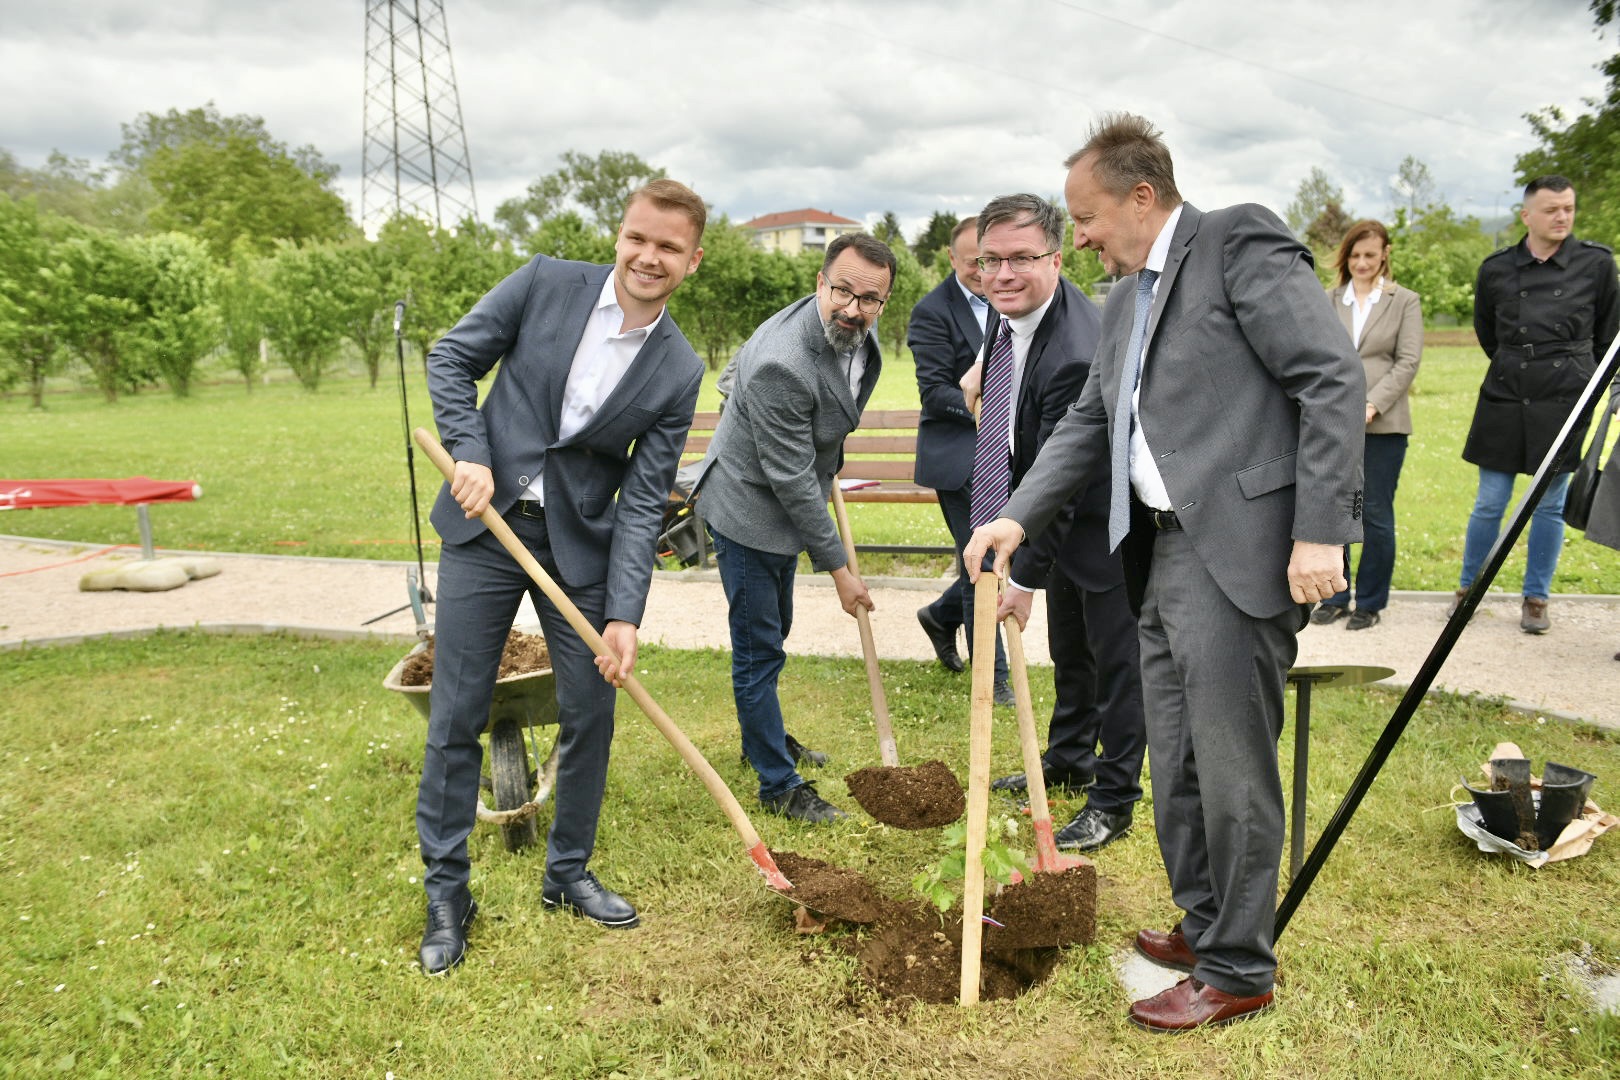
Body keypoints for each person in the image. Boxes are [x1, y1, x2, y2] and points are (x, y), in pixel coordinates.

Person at [965, 113, 1364, 1032]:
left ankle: (1239, 969)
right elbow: (1089, 421)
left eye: (1089, 214)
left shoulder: (1237, 241)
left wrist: (1318, 534)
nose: (1084, 235)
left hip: (1239, 552)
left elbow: (1331, 379)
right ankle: (1203, 922)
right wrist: (1017, 515)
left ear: (1142, 195)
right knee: (1175, 755)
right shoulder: (1125, 299)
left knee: (1230, 769)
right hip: (1155, 548)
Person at [416, 179, 707, 973]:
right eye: (637, 238)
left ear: (692, 261)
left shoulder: (680, 369)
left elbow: (645, 497)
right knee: (458, 711)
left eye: (669, 248)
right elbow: (451, 357)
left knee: (591, 710)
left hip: (578, 549)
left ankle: (567, 872)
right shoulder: (545, 281)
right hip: (485, 525)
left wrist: (624, 612)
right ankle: (448, 890)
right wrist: (470, 451)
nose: (648, 257)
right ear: (620, 235)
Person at [956, 194, 1147, 850]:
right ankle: (1069, 757)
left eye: (1022, 259)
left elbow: (1066, 481)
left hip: (1108, 520)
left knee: (1118, 663)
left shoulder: (1074, 349)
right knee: (1072, 649)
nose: (1002, 274)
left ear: (1057, 259)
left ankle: (1115, 797)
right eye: (991, 260)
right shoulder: (1007, 312)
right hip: (1058, 512)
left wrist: (1023, 578)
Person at [699, 233, 896, 823]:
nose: (854, 309)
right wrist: (840, 573)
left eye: (870, 299)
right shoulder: (782, 363)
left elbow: (730, 377)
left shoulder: (855, 321)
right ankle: (778, 784)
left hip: (789, 492)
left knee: (773, 628)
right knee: (759, 648)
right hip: (750, 511)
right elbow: (788, 481)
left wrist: (818, 449)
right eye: (842, 291)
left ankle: (763, 737)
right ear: (820, 282)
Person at [1455, 175, 1619, 634]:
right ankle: (1469, 588)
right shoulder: (1496, 268)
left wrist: (1584, 380)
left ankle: (1536, 598)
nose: (1562, 216)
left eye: (1568, 207)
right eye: (1552, 209)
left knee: (1548, 503)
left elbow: (1609, 335)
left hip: (1566, 395)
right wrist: (1518, 363)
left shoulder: (1597, 264)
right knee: (1490, 501)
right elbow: (1487, 330)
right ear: (1526, 215)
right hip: (1505, 392)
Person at [909, 216, 1012, 703]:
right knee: (984, 561)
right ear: (951, 259)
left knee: (1005, 552)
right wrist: (982, 406)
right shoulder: (931, 312)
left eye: (988, 261)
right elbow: (933, 393)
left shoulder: (1011, 297)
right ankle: (992, 677)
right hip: (959, 457)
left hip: (1011, 453)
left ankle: (941, 615)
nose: (983, 272)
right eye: (973, 263)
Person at [1309, 220, 1423, 631]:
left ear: (1384, 255)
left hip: (1384, 426)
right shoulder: (1327, 299)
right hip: (1335, 424)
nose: (1361, 263)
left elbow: (1407, 361)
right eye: (1355, 256)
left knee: (1374, 513)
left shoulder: (1404, 301)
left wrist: (1373, 404)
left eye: (1370, 255)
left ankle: (1370, 601)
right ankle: (1336, 594)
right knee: (1334, 508)